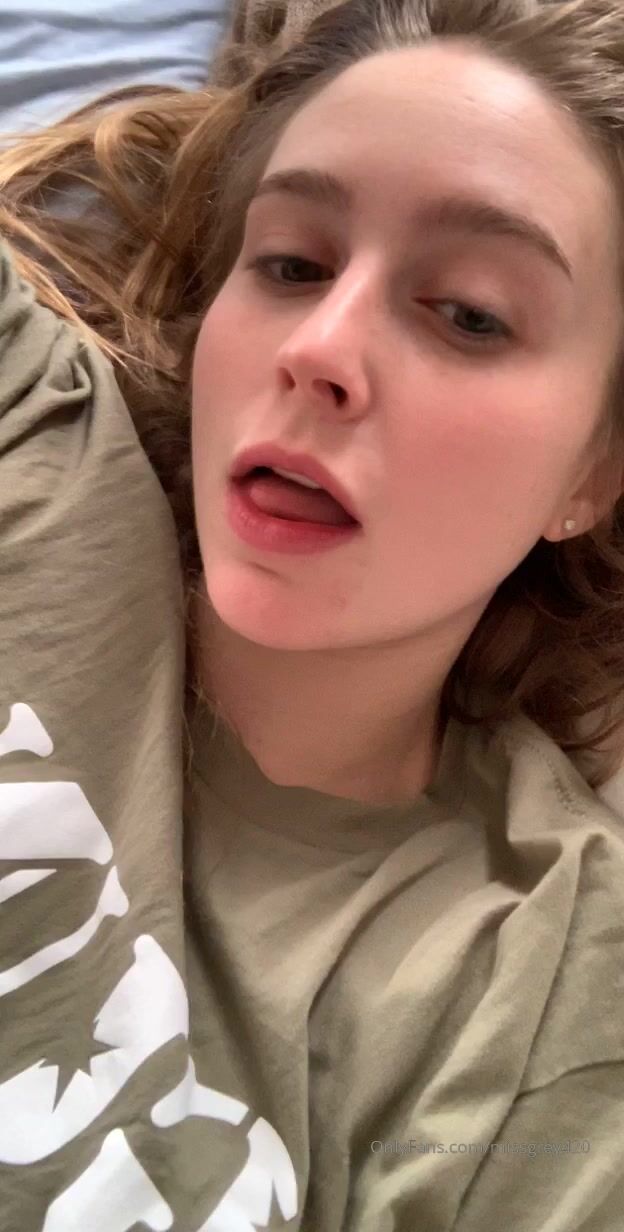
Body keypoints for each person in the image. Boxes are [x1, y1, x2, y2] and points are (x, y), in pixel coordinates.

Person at [1, 0, 624, 1228]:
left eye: (470, 312)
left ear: (593, 474)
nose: (320, 348)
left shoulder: (539, 982)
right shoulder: (33, 439)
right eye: (291, 265)